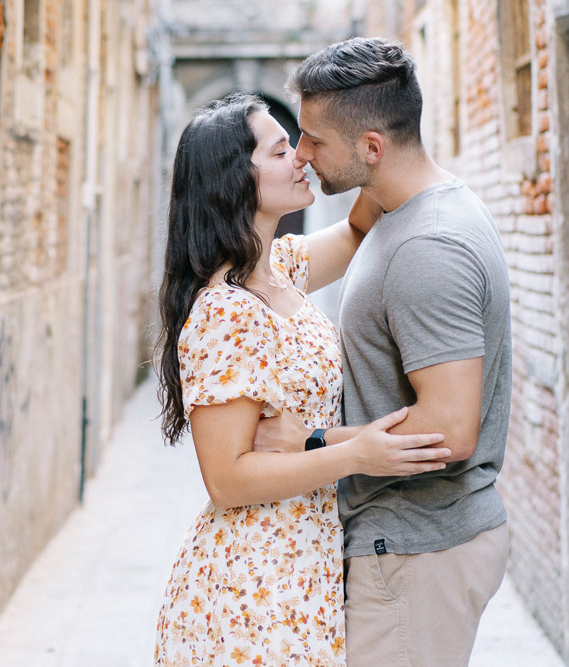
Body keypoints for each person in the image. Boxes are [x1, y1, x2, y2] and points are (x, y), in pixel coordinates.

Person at [153, 92, 450, 666]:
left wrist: (359, 121)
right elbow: (227, 479)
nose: (302, 159)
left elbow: (363, 223)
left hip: (301, 565)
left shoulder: (279, 268)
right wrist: (355, 454)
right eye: (283, 149)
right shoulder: (226, 310)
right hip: (251, 587)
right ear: (235, 179)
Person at [256, 37, 513, 666]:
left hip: (414, 551)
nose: (303, 153)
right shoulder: (400, 206)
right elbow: (346, 229)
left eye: (314, 139)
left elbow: (450, 431)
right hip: (405, 546)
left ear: (372, 147)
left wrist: (314, 444)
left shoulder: (428, 248)